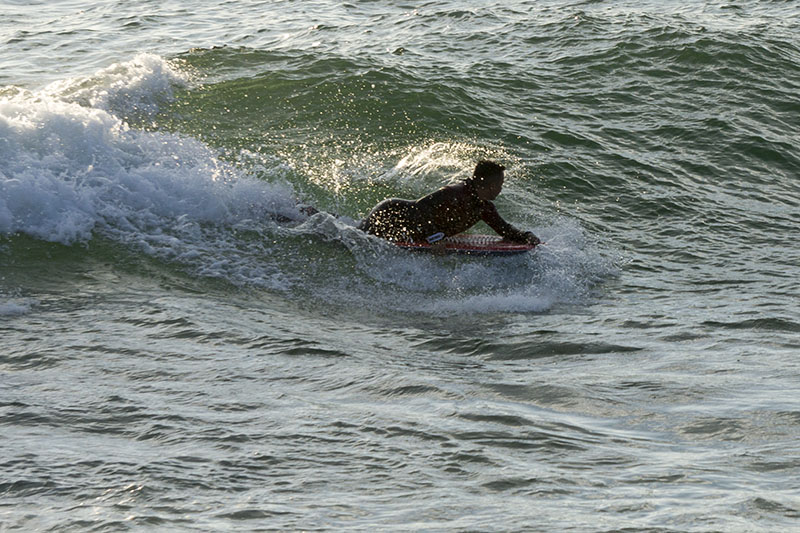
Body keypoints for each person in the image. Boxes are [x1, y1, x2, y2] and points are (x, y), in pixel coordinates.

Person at [359, 160, 540, 245]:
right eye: (500, 185)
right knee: (359, 241)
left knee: (362, 238)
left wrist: (526, 235)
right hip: (390, 214)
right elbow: (420, 210)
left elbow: (504, 230)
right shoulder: (455, 193)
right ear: (491, 186)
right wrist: (435, 239)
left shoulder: (483, 207)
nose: (501, 189)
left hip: (407, 229)